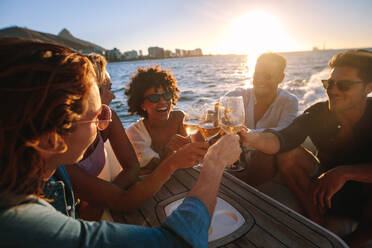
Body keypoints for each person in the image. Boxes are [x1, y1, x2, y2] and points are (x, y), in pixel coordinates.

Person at [0, 37, 242, 247]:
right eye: (98, 117)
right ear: (52, 140)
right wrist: (216, 161)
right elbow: (178, 243)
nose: (105, 123)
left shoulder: (46, 170)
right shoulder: (21, 226)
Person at [239, 50, 372, 248]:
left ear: (368, 88)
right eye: (329, 83)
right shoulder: (320, 113)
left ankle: (359, 239)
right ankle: (318, 224)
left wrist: (345, 173)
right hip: (329, 190)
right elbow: (283, 139)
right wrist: (249, 137)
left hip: (365, 193)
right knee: (288, 154)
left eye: (343, 85)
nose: (333, 91)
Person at [64, 53, 140, 221]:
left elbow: (133, 167)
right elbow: (121, 201)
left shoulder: (106, 120)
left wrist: (101, 198)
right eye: (108, 89)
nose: (113, 96)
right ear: (91, 93)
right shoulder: (60, 146)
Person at [227, 52, 298, 185]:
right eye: (257, 74)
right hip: (236, 155)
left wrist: (249, 135)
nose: (260, 80)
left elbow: (283, 132)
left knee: (265, 155)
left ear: (281, 78)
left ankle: (248, 198)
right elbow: (218, 113)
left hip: (264, 157)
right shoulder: (238, 95)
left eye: (268, 76)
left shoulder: (289, 102)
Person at [125, 66, 191, 175]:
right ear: (142, 104)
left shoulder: (180, 118)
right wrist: (168, 151)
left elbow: (190, 155)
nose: (163, 102)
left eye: (167, 95)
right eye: (154, 98)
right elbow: (154, 168)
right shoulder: (134, 133)